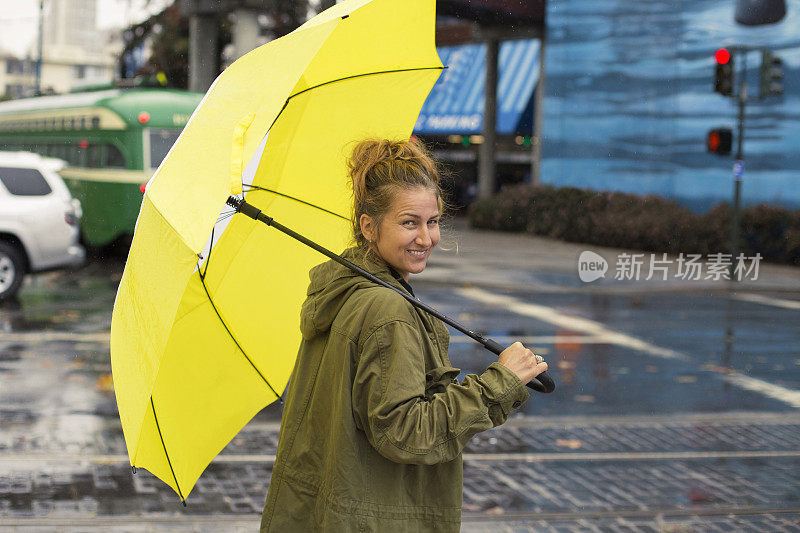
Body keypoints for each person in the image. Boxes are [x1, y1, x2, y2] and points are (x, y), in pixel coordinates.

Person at [260, 138, 548, 532]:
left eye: (433, 222)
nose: (426, 238)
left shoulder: (345, 291)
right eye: (409, 223)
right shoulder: (387, 310)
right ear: (368, 226)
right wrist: (500, 384)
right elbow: (406, 433)